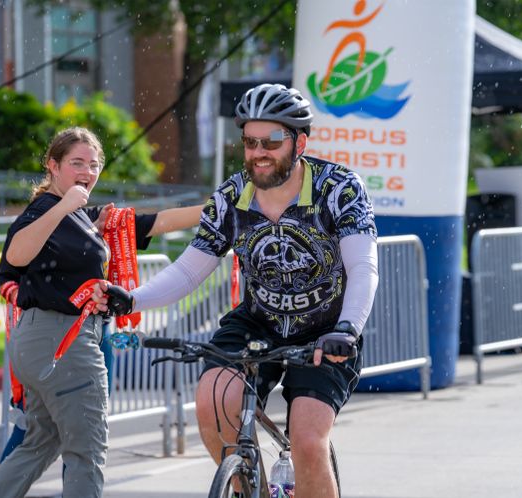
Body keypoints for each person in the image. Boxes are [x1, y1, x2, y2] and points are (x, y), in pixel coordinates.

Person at [94, 83, 379, 498]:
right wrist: (133, 298)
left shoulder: (338, 189)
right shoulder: (231, 198)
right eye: (250, 141)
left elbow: (363, 266)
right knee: (211, 402)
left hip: (327, 330)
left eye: (272, 141)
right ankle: (254, 490)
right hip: (258, 322)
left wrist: (349, 328)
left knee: (307, 441)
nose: (259, 151)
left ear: (299, 142)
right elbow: (190, 270)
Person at [0, 127, 202, 498]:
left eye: (94, 164)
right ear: (53, 166)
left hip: (47, 344)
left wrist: (220, 209)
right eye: (76, 163)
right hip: (63, 342)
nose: (87, 171)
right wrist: (65, 206)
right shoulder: (49, 210)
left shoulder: (84, 217)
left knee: (38, 444)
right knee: (87, 453)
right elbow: (15, 256)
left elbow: (155, 222)